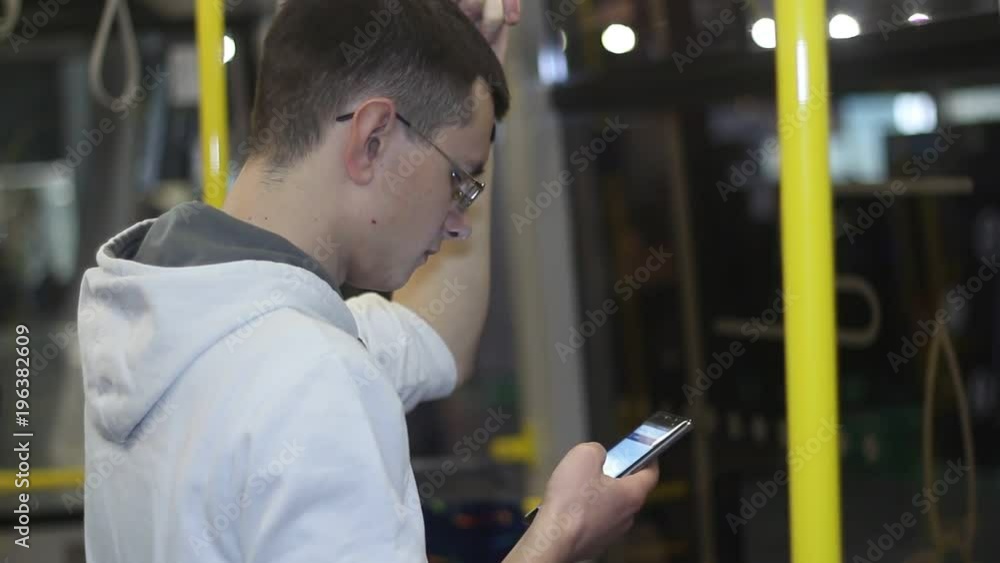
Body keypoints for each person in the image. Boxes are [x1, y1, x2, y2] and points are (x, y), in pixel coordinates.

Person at [76, 0, 659, 561]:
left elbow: (436, 338)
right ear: (373, 136)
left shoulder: (165, 311)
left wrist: (470, 80)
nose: (460, 223)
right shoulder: (313, 376)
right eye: (458, 180)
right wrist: (561, 536)